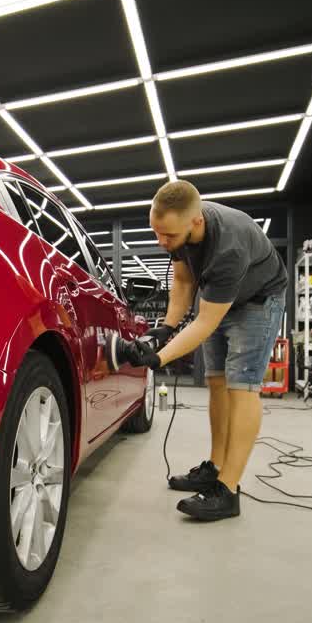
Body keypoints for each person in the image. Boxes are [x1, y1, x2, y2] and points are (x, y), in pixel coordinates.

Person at [117, 180, 287, 521]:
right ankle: (215, 467)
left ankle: (228, 490)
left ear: (196, 222)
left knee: (242, 387)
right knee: (216, 381)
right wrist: (165, 328)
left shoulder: (228, 247)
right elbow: (183, 282)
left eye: (168, 236)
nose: (162, 242)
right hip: (221, 297)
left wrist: (159, 357)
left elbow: (205, 323)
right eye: (157, 233)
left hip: (258, 301)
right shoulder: (179, 232)